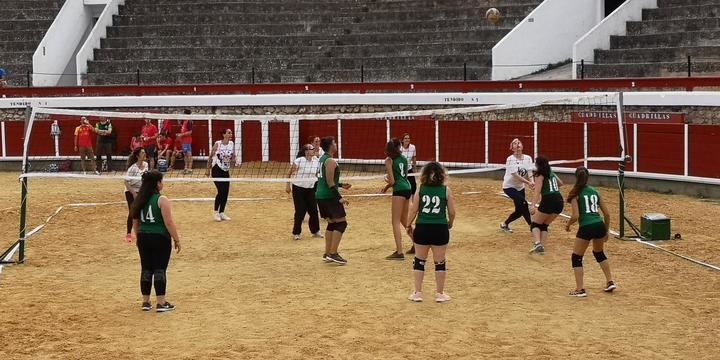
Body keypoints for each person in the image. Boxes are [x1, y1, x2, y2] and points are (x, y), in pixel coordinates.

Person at [406, 162, 456, 303]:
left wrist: (408, 225)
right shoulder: (446, 190)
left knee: (419, 261)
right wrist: (450, 223)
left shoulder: (420, 189)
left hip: (422, 228)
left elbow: (413, 210)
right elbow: (452, 212)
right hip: (440, 228)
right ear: (442, 175)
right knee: (440, 262)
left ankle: (418, 293)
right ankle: (440, 294)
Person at [131, 170, 181, 312]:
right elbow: (168, 222)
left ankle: (146, 302)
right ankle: (161, 302)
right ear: (157, 183)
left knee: (146, 268)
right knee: (160, 269)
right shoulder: (161, 199)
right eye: (161, 181)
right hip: (160, 237)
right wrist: (176, 239)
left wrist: (138, 236)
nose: (162, 184)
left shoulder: (139, 199)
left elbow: (135, 220)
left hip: (143, 237)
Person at [564, 167, 616, 297]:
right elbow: (607, 214)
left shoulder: (575, 193)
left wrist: (568, 224)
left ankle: (580, 289)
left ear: (576, 177)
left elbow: (575, 216)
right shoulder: (595, 192)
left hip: (586, 227)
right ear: (588, 178)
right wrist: (606, 230)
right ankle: (610, 281)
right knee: (599, 253)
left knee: (576, 257)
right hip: (599, 225)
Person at [316, 136, 351, 265]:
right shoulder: (330, 161)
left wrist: (340, 184)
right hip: (329, 196)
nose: (336, 144)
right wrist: (340, 197)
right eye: (334, 142)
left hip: (321, 195)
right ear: (331, 146)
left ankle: (327, 253)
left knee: (332, 223)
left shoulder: (322, 159)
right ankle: (333, 253)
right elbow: (330, 182)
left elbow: (322, 178)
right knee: (342, 223)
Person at [381, 138, 413, 260]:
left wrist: (386, 185)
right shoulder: (404, 159)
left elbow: (393, 181)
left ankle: (399, 252)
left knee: (395, 221)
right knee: (404, 220)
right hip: (407, 188)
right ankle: (416, 243)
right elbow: (404, 176)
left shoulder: (388, 161)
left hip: (399, 190)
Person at [529, 155, 564, 254]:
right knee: (544, 225)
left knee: (535, 224)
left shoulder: (539, 175)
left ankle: (537, 244)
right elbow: (561, 183)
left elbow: (537, 192)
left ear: (537, 165)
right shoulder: (551, 172)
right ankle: (541, 249)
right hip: (559, 200)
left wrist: (532, 205)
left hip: (548, 200)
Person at [287, 143, 322, 240]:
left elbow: (317, 174)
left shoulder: (316, 161)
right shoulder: (299, 161)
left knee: (314, 211)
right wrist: (287, 185)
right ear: (306, 151)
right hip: (298, 188)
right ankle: (296, 233)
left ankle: (316, 231)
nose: (314, 150)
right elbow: (289, 173)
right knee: (300, 211)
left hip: (310, 189)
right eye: (312, 149)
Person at [500, 138, 534, 233]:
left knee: (520, 210)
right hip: (509, 187)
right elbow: (515, 175)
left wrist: (532, 181)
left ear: (522, 146)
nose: (517, 144)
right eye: (514, 143)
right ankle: (532, 226)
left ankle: (505, 224)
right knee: (524, 203)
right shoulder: (510, 159)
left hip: (520, 187)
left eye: (519, 142)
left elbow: (530, 171)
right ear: (512, 148)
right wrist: (528, 183)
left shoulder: (528, 158)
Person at [206, 128, 235, 221]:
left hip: (225, 170)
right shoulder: (218, 144)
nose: (231, 134)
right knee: (221, 191)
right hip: (216, 169)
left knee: (226, 192)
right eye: (229, 133)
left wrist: (234, 160)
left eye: (231, 133)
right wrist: (207, 169)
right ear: (223, 134)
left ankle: (222, 212)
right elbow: (210, 156)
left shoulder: (231, 144)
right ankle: (215, 212)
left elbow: (233, 155)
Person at [124, 147, 149, 242]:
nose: (144, 154)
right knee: (132, 211)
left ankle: (142, 230)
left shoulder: (146, 165)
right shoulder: (133, 168)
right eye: (142, 153)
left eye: (144, 152)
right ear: (138, 155)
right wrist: (134, 193)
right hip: (130, 190)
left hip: (140, 190)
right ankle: (128, 233)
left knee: (143, 209)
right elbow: (126, 182)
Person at [177, 110, 193, 174]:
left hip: (187, 140)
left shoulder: (189, 121)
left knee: (188, 154)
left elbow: (190, 132)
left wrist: (181, 135)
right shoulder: (185, 121)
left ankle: (190, 169)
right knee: (185, 154)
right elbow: (183, 128)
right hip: (183, 140)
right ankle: (186, 168)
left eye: (183, 113)